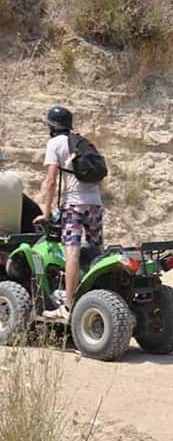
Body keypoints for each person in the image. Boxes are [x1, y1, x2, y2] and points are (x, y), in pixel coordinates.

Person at [32, 106, 104, 320]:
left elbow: (52, 180)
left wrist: (45, 212)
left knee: (71, 252)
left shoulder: (55, 144)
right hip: (95, 204)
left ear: (51, 126)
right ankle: (95, 297)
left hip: (74, 206)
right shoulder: (81, 143)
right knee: (96, 250)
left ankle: (69, 304)